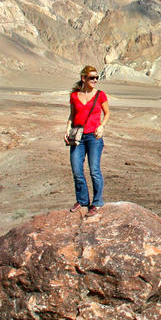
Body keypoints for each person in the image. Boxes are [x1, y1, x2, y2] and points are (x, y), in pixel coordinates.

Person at [64, 65, 110, 216]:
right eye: (92, 78)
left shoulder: (100, 95)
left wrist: (102, 126)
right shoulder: (74, 96)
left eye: (97, 78)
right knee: (77, 170)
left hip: (94, 137)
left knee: (94, 170)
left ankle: (96, 203)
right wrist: (67, 129)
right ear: (83, 78)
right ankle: (82, 201)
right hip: (78, 137)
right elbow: (72, 115)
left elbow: (107, 113)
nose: (95, 80)